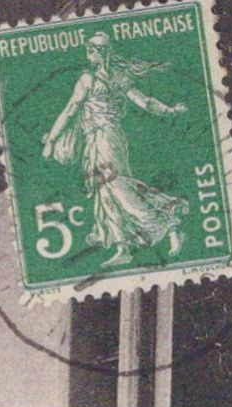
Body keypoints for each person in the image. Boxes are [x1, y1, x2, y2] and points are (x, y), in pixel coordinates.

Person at [41, 31, 189, 268]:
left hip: (105, 138)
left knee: (116, 186)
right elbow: (145, 101)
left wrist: (51, 141)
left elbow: (70, 110)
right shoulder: (118, 77)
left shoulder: (88, 79)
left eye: (91, 49)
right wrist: (170, 111)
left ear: (100, 53)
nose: (88, 53)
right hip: (102, 138)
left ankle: (168, 224)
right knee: (105, 191)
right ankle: (123, 248)